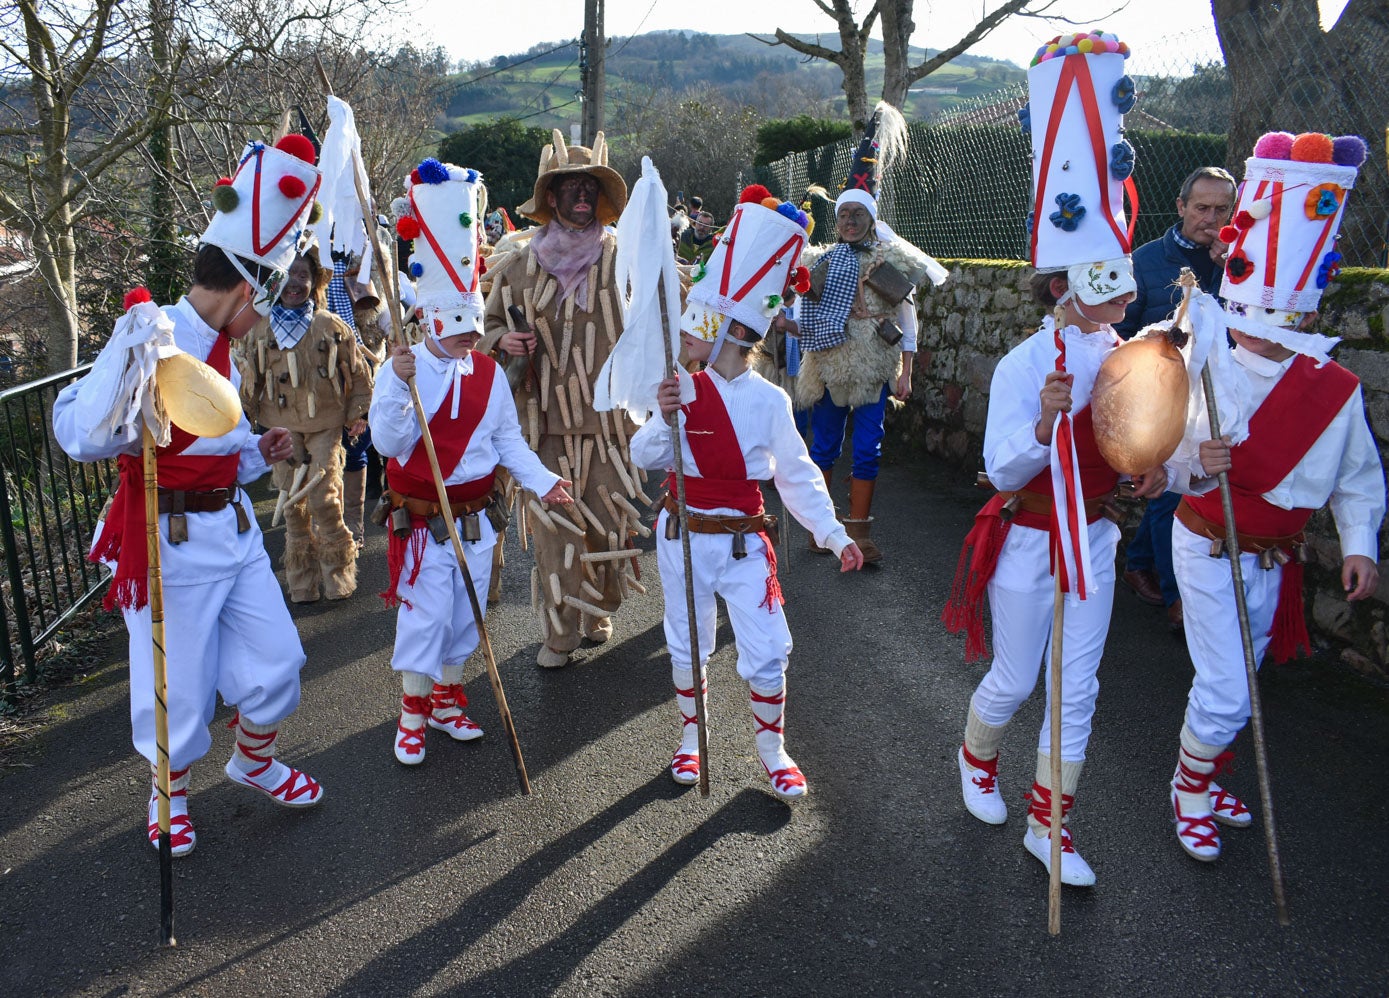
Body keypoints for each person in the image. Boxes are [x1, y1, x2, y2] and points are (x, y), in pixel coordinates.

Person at [53, 134, 327, 856]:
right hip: (167, 548)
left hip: (233, 537)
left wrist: (253, 452)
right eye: (263, 302)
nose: (265, 320)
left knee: (279, 664)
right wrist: (125, 378)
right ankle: (165, 795)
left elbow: (213, 450)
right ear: (245, 290)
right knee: (173, 691)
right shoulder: (153, 336)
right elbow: (76, 433)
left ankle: (254, 762)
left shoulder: (221, 350)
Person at [944, 32, 1167, 887]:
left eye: (1120, 293)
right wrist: (1042, 430)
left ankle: (1052, 828)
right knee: (1012, 675)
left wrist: (1157, 470)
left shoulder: (1129, 353)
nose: (1114, 306)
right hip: (1031, 539)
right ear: (1061, 288)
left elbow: (1150, 442)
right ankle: (974, 757)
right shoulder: (1021, 365)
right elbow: (999, 473)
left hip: (1096, 542)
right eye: (1099, 290)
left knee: (1079, 691)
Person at [1164, 130, 1383, 862]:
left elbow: (1355, 475)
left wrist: (1357, 544)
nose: (1260, 344)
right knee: (1226, 687)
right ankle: (1187, 790)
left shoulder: (1334, 389)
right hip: (1205, 538)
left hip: (1273, 555)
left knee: (1240, 676)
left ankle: (1206, 770)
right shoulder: (1203, 360)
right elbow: (1154, 458)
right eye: (1253, 330)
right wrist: (1199, 459)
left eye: (1278, 331)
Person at [629, 186, 863, 799]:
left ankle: (771, 748)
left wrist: (832, 533)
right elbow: (643, 456)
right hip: (682, 534)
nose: (685, 336)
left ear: (732, 329)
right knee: (687, 641)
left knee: (767, 650)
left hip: (743, 545)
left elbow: (797, 474)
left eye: (697, 325)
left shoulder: (769, 400)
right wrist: (666, 416)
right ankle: (689, 740)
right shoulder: (679, 386)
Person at [374, 158, 574, 764]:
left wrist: (544, 483)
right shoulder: (401, 371)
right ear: (432, 319)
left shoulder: (486, 372)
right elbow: (387, 444)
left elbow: (507, 443)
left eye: (473, 326)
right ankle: (411, 716)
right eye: (459, 328)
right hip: (422, 520)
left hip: (475, 520)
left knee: (464, 614)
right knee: (425, 618)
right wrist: (399, 387)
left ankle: (446, 701)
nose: (471, 338)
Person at [481, 129, 638, 669]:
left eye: (588, 188)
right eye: (569, 187)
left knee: (606, 525)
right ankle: (560, 632)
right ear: (550, 197)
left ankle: (598, 608)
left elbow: (662, 324)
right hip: (543, 424)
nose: (580, 197)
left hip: (611, 427)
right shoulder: (519, 266)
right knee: (553, 534)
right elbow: (486, 327)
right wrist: (501, 340)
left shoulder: (626, 259)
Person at [796, 102, 948, 563]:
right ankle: (822, 529)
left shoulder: (891, 261)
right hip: (830, 366)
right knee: (823, 445)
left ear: (870, 218)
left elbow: (907, 317)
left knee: (868, 449)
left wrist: (905, 370)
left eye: (858, 215)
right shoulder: (819, 262)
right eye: (844, 216)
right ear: (837, 218)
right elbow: (801, 303)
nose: (850, 222)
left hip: (874, 370)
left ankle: (858, 531)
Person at [1116, 166, 1237, 631]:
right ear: (1182, 206)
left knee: (1183, 490)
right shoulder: (1145, 261)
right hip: (1163, 399)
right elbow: (1120, 334)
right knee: (1173, 491)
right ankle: (1177, 599)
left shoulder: (1239, 261)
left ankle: (1140, 560)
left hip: (1220, 399)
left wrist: (1232, 269)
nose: (1209, 217)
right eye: (1201, 207)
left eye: (1221, 209)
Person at [236, 248, 374, 602]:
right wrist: (242, 416)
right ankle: (301, 580)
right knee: (290, 503)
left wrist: (357, 413)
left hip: (325, 425)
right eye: (287, 275)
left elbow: (357, 370)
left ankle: (338, 574)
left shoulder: (329, 325)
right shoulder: (259, 327)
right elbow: (248, 376)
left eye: (302, 276)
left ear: (313, 283)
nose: (294, 283)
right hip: (279, 427)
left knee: (324, 497)